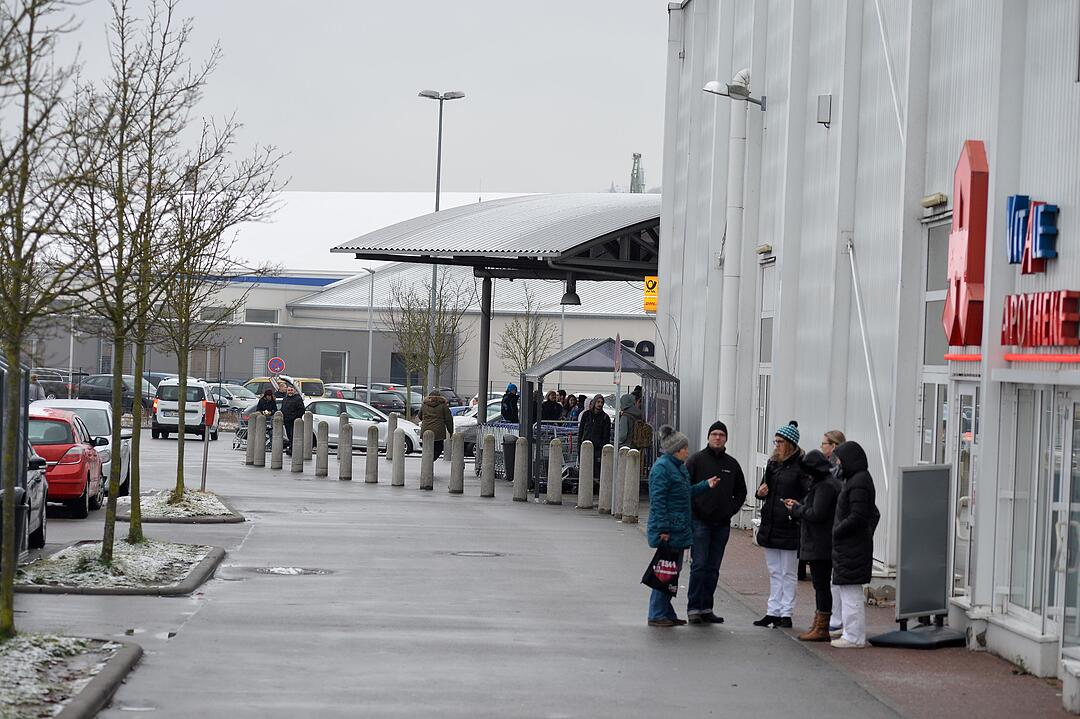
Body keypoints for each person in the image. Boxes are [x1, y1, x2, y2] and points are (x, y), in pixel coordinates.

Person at [646, 424, 719, 627]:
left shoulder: (677, 467)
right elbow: (658, 501)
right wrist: (663, 530)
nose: (688, 451)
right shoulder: (662, 469)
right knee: (665, 571)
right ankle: (657, 613)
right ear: (676, 449)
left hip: (677, 528)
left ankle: (665, 611)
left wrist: (706, 485)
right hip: (669, 530)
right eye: (685, 448)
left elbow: (685, 492)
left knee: (671, 571)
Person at [685, 420, 746, 624]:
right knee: (699, 565)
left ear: (726, 438)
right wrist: (695, 510)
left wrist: (731, 509)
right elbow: (685, 488)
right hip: (700, 522)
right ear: (708, 437)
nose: (718, 437)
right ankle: (694, 607)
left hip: (722, 524)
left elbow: (741, 492)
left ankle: (706, 607)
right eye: (714, 434)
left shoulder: (732, 464)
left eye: (721, 434)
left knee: (713, 568)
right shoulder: (696, 460)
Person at [753, 420, 808, 628]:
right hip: (771, 522)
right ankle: (772, 610)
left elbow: (808, 493)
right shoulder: (773, 464)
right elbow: (762, 489)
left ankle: (786, 612)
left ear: (790, 444)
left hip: (789, 523)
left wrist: (796, 506)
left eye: (780, 442)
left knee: (788, 572)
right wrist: (760, 493)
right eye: (775, 441)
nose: (776, 445)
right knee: (774, 571)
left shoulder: (801, 467)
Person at [783, 449, 842, 641]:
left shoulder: (824, 486)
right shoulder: (827, 483)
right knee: (822, 584)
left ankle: (822, 626)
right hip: (823, 541)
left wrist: (797, 509)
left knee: (821, 584)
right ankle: (820, 623)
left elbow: (817, 514)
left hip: (820, 542)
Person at [830, 440, 881, 648]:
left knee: (851, 592)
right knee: (846, 589)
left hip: (852, 545)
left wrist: (838, 530)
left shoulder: (858, 481)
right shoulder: (856, 479)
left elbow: (859, 516)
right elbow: (873, 514)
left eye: (840, 460)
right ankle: (850, 631)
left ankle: (854, 636)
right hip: (852, 544)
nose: (838, 464)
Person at [820, 429, 847, 635]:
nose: (822, 448)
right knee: (832, 578)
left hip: (839, 528)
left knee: (837, 579)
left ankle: (839, 619)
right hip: (832, 527)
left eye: (825, 444)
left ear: (834, 446)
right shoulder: (829, 469)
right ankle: (836, 618)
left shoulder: (840, 472)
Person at [578, 394, 611, 478]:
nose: (599, 404)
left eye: (601, 402)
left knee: (596, 471)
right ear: (594, 402)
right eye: (598, 402)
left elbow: (606, 436)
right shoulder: (586, 415)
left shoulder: (605, 417)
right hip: (585, 446)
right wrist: (579, 446)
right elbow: (581, 431)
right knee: (585, 471)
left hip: (598, 448)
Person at [420, 390, 454, 461]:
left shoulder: (424, 405)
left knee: (427, 449)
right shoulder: (443, 406)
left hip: (426, 430)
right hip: (438, 432)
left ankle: (427, 464)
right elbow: (448, 419)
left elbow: (420, 415)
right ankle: (430, 462)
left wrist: (426, 421)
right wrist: (450, 431)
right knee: (438, 448)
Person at [280, 384, 305, 455]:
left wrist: (296, 417)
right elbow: (283, 409)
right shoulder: (285, 399)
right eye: (289, 390)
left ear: (294, 391)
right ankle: (291, 448)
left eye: (291, 390)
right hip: (287, 421)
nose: (290, 392)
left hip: (294, 421)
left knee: (293, 436)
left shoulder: (298, 399)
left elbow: (301, 410)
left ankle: (292, 449)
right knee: (289, 436)